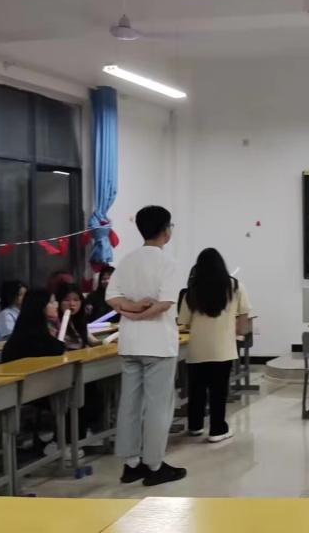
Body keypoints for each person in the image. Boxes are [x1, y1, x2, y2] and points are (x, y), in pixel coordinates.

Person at [105, 205, 187, 486]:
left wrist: (130, 309)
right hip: (158, 344)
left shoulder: (127, 261)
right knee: (158, 407)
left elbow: (112, 297)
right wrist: (141, 312)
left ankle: (131, 464)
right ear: (166, 231)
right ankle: (154, 465)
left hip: (130, 343)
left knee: (129, 404)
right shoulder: (169, 263)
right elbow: (164, 304)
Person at [178, 248, 252, 443]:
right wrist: (238, 333)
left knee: (197, 389)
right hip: (223, 348)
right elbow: (244, 316)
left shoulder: (191, 290)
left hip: (197, 348)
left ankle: (195, 426)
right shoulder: (235, 286)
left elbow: (184, 322)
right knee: (219, 390)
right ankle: (217, 429)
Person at [1, 289, 65, 363]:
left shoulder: (41, 327)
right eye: (51, 302)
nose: (56, 305)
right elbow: (57, 348)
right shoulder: (30, 334)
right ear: (40, 305)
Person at [56, 282, 100, 350]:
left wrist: (107, 343)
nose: (72, 304)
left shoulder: (80, 320)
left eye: (76, 300)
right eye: (66, 300)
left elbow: (93, 341)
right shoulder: (55, 323)